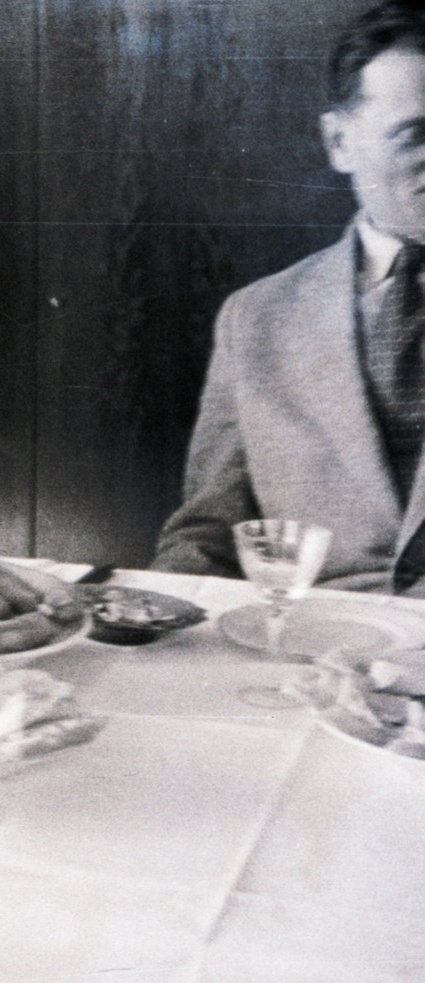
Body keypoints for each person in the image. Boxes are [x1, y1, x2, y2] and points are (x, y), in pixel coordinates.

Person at [154, 0, 425, 592]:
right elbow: (205, 538)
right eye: (417, 136)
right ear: (339, 141)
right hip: (313, 663)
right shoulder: (256, 319)